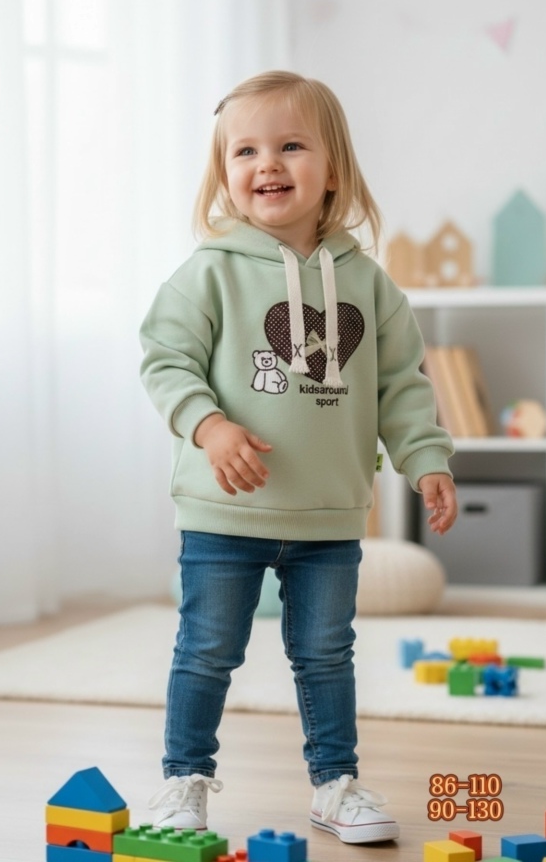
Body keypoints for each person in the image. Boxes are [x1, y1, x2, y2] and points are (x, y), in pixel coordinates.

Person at [139, 70, 457, 845]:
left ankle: (335, 784)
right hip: (225, 513)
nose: (267, 164)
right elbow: (165, 359)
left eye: (290, 146)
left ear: (332, 170)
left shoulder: (369, 286)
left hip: (329, 512)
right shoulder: (210, 272)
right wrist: (210, 427)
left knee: (326, 655)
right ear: (225, 174)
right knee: (207, 650)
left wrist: (426, 459)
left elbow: (402, 384)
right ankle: (184, 780)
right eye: (245, 151)